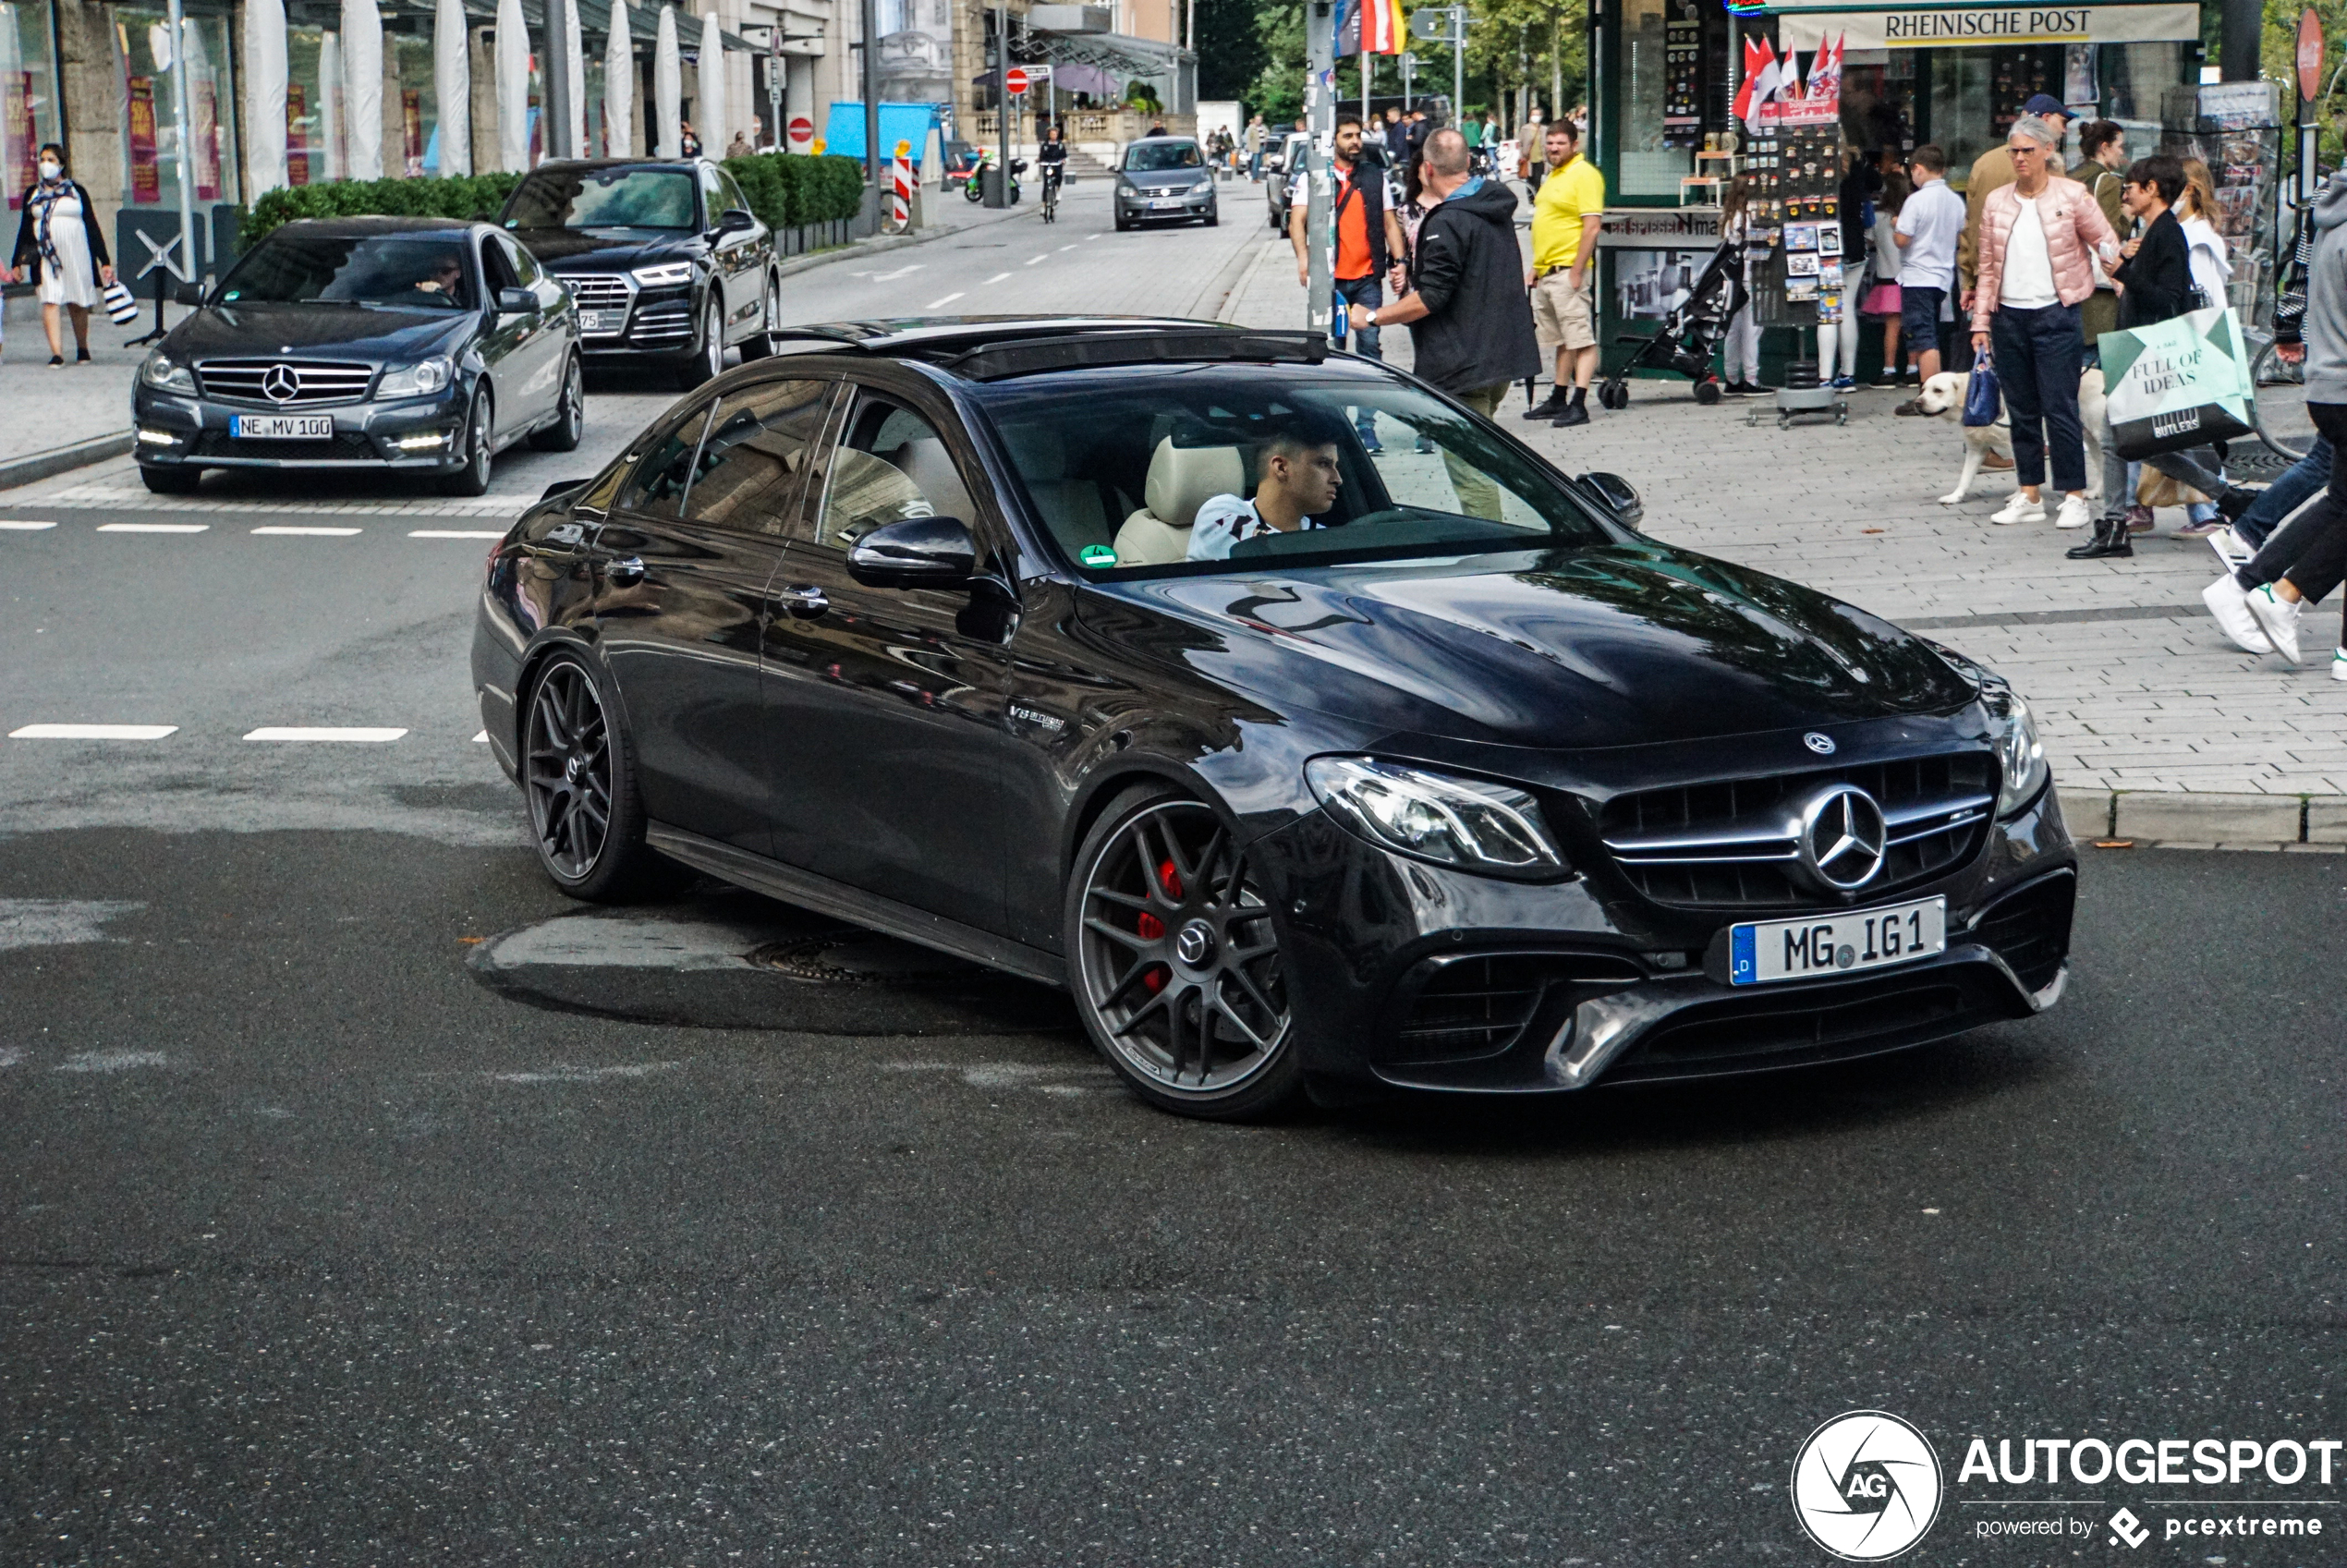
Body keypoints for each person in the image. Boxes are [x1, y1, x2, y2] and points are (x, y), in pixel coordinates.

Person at [1346, 128, 1540, 520]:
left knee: (1470, 474)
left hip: (1463, 365)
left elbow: (1432, 298)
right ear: (1468, 162)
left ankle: (1492, 557)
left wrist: (1370, 317)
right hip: (1501, 358)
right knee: (1482, 460)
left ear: (1427, 169)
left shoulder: (1447, 221)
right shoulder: (1493, 204)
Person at [2068, 155, 2255, 558]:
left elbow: (2169, 298)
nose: (2125, 193)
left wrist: (2123, 270)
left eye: (2132, 187)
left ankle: (2115, 526)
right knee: (2135, 442)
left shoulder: (2168, 232)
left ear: (2152, 189)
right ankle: (2225, 496)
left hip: (2148, 353)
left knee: (2119, 440)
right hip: (2138, 350)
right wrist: (2132, 262)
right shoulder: (2157, 230)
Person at [2198, 171, 2347, 670]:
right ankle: (2282, 594)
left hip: (2328, 385)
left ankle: (2245, 584)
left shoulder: (2331, 216)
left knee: (2339, 505)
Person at [1967, 114, 2119, 531]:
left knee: (2061, 406)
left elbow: (2105, 241)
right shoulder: (1997, 201)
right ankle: (2030, 491)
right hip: (2008, 314)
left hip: (2056, 310)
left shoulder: (2072, 195)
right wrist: (1980, 322)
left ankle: (2073, 495)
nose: (2019, 158)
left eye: (2027, 151)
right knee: (2020, 409)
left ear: (2048, 151)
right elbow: (1986, 266)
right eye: (2013, 151)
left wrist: (2124, 279)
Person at [1292, 115, 1407, 450]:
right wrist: (1303, 259)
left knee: (1369, 350)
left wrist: (1400, 263)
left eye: (1358, 135)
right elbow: (1296, 221)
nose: (1355, 141)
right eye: (1348, 136)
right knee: (1331, 353)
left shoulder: (1374, 176)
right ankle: (1337, 428)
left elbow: (1389, 223)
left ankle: (1367, 426)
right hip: (1330, 281)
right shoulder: (1314, 178)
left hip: (1367, 278)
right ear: (1334, 142)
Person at [1959, 93, 2079, 310]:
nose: (2064, 130)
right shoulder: (2049, 165)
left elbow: (1973, 228)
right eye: (2062, 122)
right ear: (2045, 119)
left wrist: (1971, 279)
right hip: (2042, 287)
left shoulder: (1984, 164)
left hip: (1994, 283)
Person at [1521, 118, 1604, 426]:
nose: (1553, 148)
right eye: (1550, 143)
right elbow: (1549, 223)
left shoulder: (1584, 175)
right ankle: (1558, 397)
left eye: (1560, 143)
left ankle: (1579, 404)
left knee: (1580, 339)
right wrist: (1537, 267)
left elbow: (1592, 226)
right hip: (1550, 271)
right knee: (1562, 340)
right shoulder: (1553, 175)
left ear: (1574, 144)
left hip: (1569, 270)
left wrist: (1577, 270)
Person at [1185, 415, 1346, 560]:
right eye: (1324, 464)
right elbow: (1260, 551)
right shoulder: (1220, 512)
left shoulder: (1322, 536)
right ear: (1281, 467)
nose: (1337, 479)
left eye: (1335, 466)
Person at [9, 144, 114, 367]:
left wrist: (104, 260)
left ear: (61, 164)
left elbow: (92, 226)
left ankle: (82, 347)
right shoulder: (33, 194)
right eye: (42, 159)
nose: (45, 164)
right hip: (46, 255)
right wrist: (16, 262)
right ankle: (57, 352)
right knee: (50, 299)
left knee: (77, 301)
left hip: (76, 252)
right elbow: (25, 229)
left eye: (51, 160)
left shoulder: (76, 192)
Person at [1891, 143, 1964, 415]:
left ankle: (1926, 398)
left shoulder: (1916, 201)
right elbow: (1960, 236)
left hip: (1918, 274)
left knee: (1923, 337)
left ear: (1918, 169)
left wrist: (1895, 224)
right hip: (1943, 275)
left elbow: (1902, 240)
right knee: (1934, 331)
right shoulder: (1955, 200)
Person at [2071, 119, 2128, 351]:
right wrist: (2130, 214)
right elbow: (2110, 231)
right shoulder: (2108, 182)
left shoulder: (2070, 176)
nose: (2121, 152)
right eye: (2119, 146)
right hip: (2098, 284)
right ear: (2104, 147)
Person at [1720, 176, 1767, 395]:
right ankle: (1751, 379)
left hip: (1731, 280)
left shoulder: (1728, 217)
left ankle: (1731, 378)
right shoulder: (1751, 217)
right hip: (1752, 277)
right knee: (1752, 331)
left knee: (1733, 331)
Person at [1863, 169, 1909, 386]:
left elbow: (1869, 241)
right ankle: (1913, 369)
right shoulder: (1910, 215)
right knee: (1913, 328)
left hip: (1888, 279)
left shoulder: (1878, 217)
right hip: (1910, 278)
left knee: (1891, 328)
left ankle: (1888, 370)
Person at [1038, 122, 1068, 206]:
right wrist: (1039, 160)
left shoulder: (1060, 145)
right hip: (1047, 164)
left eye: (1055, 134)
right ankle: (1043, 205)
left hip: (1057, 164)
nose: (1054, 136)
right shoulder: (1045, 145)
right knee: (1046, 184)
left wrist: (1063, 160)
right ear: (1049, 135)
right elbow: (1042, 155)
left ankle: (1058, 189)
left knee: (1059, 176)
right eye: (1052, 134)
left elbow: (1063, 155)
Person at [1245, 114, 1266, 180]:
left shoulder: (1263, 127)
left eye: (1260, 120)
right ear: (1255, 120)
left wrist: (1266, 140)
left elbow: (1267, 133)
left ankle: (1256, 177)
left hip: (1262, 146)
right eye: (1257, 120)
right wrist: (1250, 148)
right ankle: (1254, 178)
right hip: (1255, 147)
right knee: (1255, 163)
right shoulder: (1252, 128)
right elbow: (1248, 138)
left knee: (1259, 163)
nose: (1258, 121)